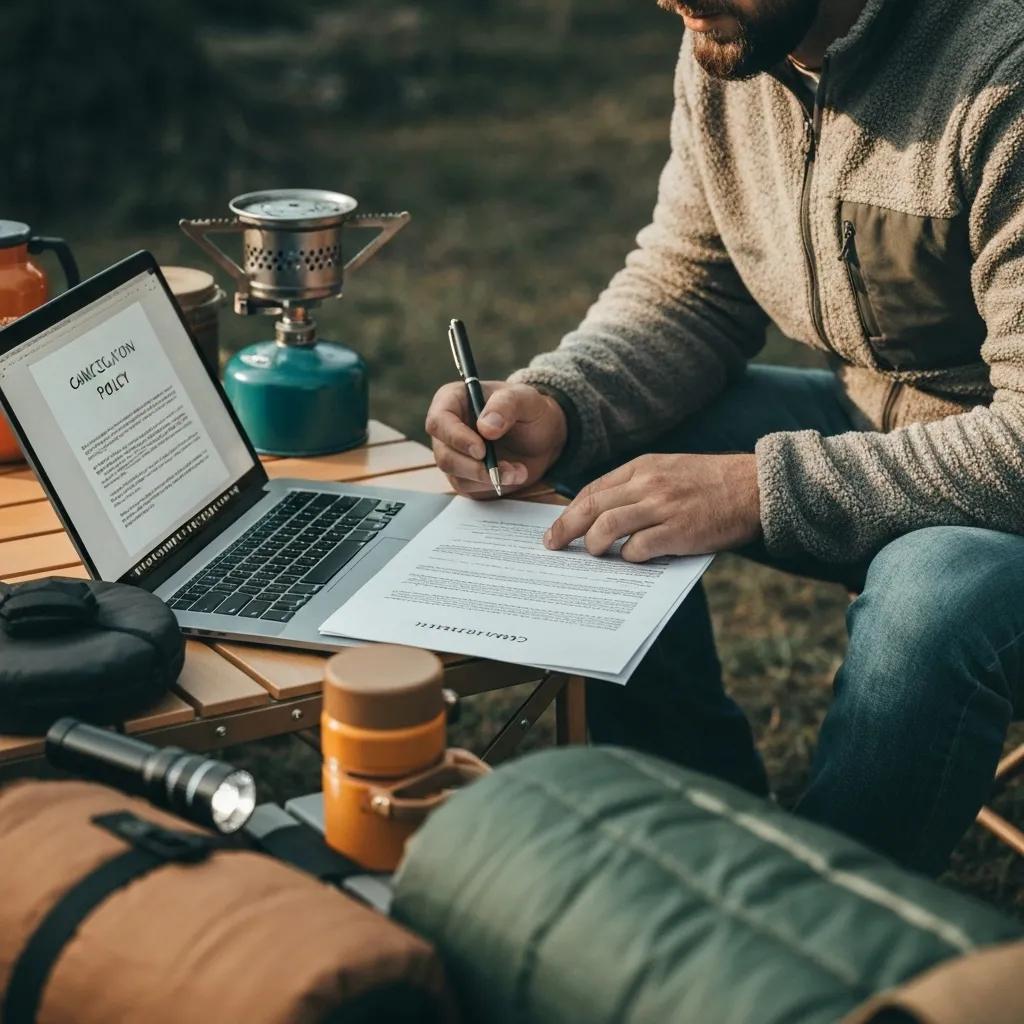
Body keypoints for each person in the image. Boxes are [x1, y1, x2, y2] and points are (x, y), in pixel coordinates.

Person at [424, 0, 1024, 875]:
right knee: (596, 456)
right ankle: (705, 852)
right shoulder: (734, 36)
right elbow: (693, 286)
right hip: (880, 429)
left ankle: (812, 940)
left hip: (997, 490)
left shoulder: (1001, 68)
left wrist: (755, 489)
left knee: (927, 601)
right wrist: (557, 400)